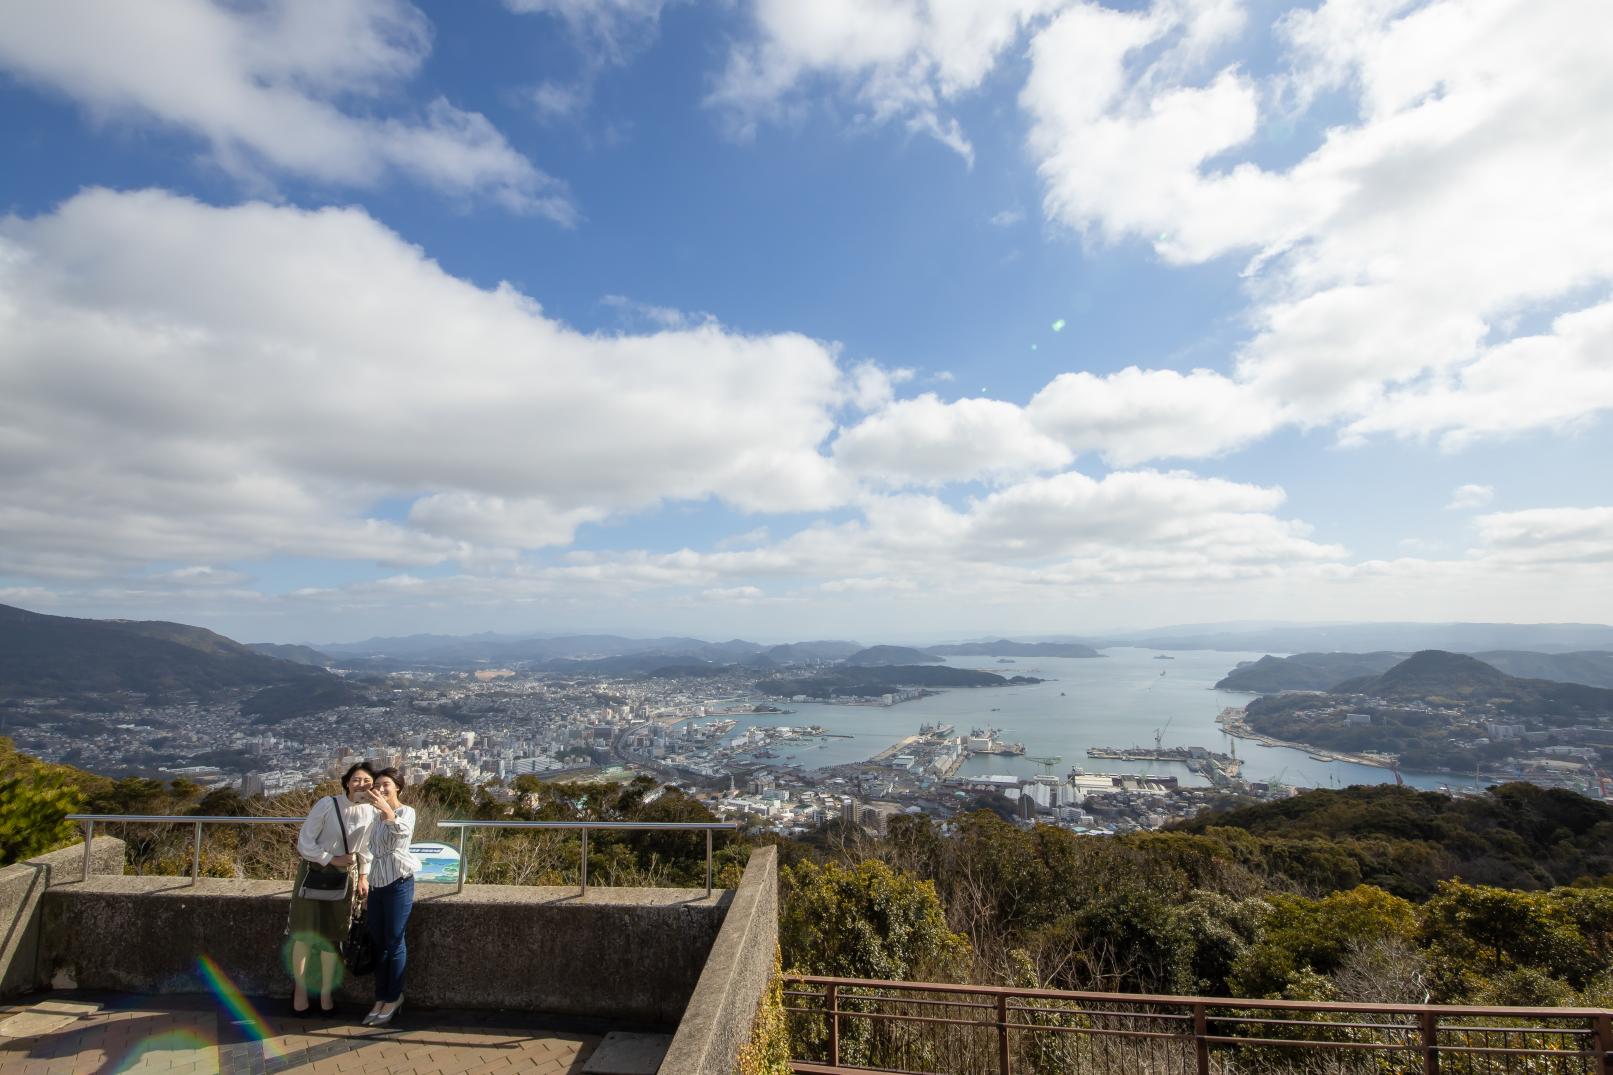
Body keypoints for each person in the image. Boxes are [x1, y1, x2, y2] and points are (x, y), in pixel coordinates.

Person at [288, 762, 376, 1015]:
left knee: (334, 936)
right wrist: (331, 858)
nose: (361, 785)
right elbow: (305, 842)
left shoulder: (371, 812)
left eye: (367, 781)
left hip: (345, 877)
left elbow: (366, 849)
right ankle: (301, 991)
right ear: (347, 782)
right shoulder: (328, 804)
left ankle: (326, 992)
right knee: (304, 934)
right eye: (356, 780)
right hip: (315, 873)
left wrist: (363, 876)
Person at [362, 767, 420, 1027]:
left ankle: (394, 997)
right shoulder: (374, 818)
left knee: (395, 941)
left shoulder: (405, 811)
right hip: (377, 884)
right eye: (378, 785)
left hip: (398, 883)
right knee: (379, 942)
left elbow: (402, 833)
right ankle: (380, 997)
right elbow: (370, 849)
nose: (381, 788)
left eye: (386, 784)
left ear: (398, 787)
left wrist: (386, 809)